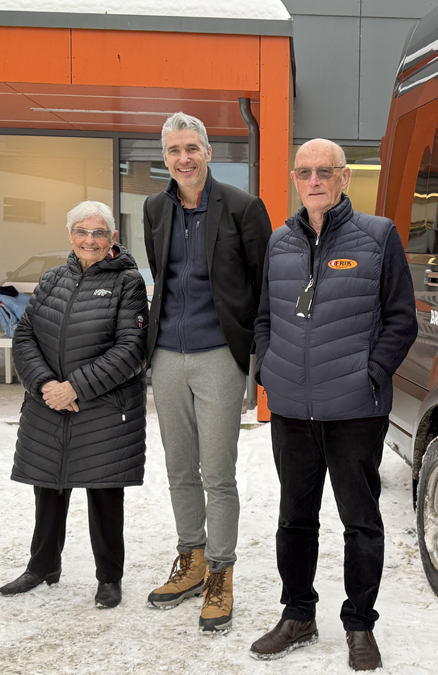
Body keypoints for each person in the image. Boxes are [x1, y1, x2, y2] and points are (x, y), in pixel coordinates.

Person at [249, 139, 418, 671]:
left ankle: (360, 625)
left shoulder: (378, 236)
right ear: (294, 180)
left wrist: (370, 375)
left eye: (325, 171)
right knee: (294, 519)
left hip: (354, 410)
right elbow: (264, 317)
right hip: (292, 410)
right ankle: (298, 614)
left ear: (345, 177)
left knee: (360, 522)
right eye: (305, 172)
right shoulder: (279, 242)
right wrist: (268, 369)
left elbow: (401, 320)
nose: (315, 180)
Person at [142, 112, 272, 633]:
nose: (184, 158)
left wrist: (257, 358)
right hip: (166, 357)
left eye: (192, 148)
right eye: (174, 150)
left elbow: (263, 284)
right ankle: (191, 560)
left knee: (217, 473)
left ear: (208, 153)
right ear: (165, 158)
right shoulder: (155, 208)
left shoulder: (242, 207)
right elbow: (163, 276)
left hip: (219, 354)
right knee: (179, 469)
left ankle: (220, 573)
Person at [2, 201, 148, 609]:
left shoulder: (128, 282)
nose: (90, 240)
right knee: (49, 485)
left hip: (103, 407)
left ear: (112, 238)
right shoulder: (52, 279)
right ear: (70, 235)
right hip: (49, 403)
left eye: (99, 233)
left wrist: (75, 388)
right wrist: (45, 384)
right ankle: (42, 566)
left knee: (104, 494)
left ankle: (109, 577)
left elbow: (131, 349)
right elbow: (25, 335)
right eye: (82, 231)